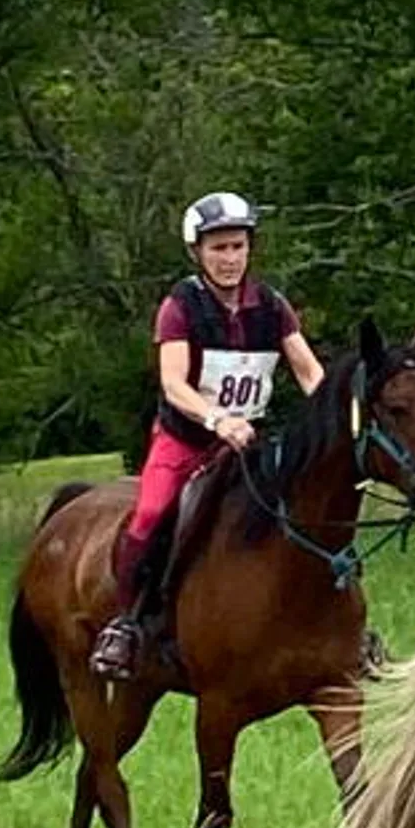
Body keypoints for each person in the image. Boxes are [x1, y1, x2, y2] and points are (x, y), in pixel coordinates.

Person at [88, 192, 324, 680]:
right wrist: (217, 420)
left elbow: (306, 369)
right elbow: (173, 383)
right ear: (198, 252)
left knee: (312, 507)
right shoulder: (180, 306)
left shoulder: (271, 306)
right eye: (219, 248)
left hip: (247, 445)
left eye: (238, 246)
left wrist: (335, 412)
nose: (230, 258)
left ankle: (333, 624)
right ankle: (127, 623)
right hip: (188, 442)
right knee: (152, 513)